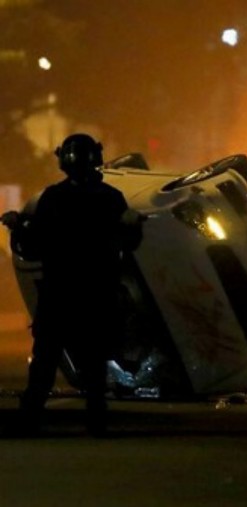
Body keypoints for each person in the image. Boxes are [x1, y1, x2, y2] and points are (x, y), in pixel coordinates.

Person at [1, 133, 143, 436]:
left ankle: (30, 421)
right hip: (94, 293)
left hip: (61, 293)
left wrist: (18, 226)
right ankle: (95, 423)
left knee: (46, 363)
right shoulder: (110, 198)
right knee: (91, 365)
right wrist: (130, 224)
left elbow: (34, 245)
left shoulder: (53, 198)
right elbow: (130, 243)